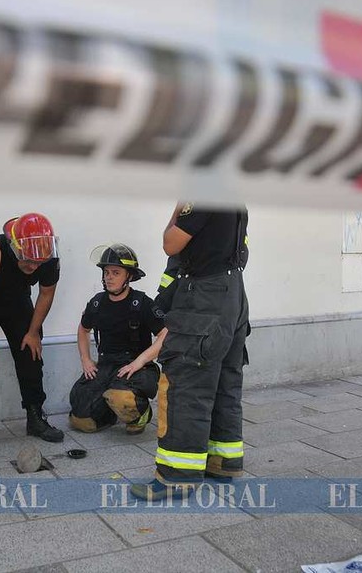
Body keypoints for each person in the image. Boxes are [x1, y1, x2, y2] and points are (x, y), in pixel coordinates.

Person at [131, 202, 250, 501]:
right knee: (224, 381)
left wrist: (176, 209)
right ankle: (222, 461)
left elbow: (170, 243)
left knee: (185, 387)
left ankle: (177, 476)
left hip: (204, 298)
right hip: (233, 294)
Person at [0, 213, 63, 455]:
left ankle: (35, 416)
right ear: (13, 246)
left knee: (31, 353)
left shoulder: (46, 254)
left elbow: (46, 294)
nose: (33, 267)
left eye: (38, 263)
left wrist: (33, 332)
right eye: (27, 261)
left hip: (18, 301)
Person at [69, 243, 167, 435]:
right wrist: (86, 360)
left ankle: (141, 415)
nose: (109, 277)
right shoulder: (97, 303)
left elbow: (165, 334)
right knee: (80, 419)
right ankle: (108, 413)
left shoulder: (142, 303)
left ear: (128, 276)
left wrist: (140, 362)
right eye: (106, 272)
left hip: (136, 367)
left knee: (121, 397)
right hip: (106, 365)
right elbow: (83, 329)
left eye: (115, 272)